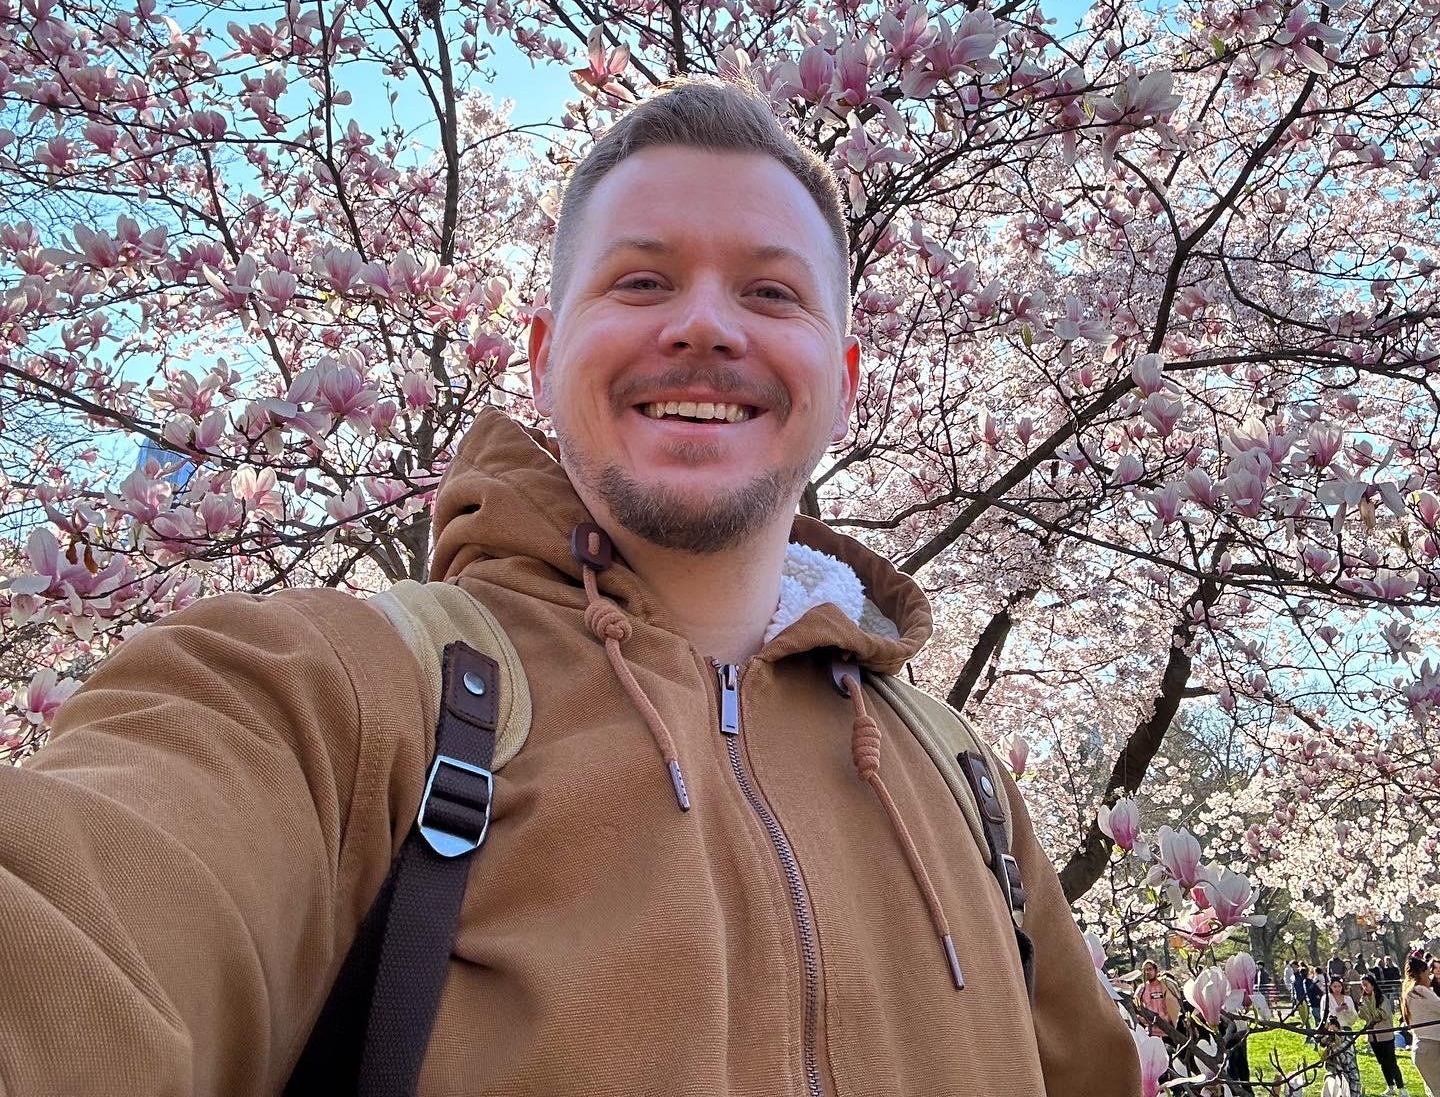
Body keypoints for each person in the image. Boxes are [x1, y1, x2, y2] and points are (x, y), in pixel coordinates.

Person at [0, 78, 1142, 1096]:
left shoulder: (964, 788)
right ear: (544, 358)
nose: (703, 324)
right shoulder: (345, 704)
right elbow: (76, 916)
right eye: (642, 280)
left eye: (773, 294)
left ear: (842, 381)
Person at [1357, 972, 1407, 1097]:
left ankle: (1401, 1088)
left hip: (1385, 1035)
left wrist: (1371, 1012)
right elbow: (1362, 1015)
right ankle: (1390, 1087)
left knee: (1391, 1062)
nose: (1365, 988)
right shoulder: (1363, 999)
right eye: (1363, 986)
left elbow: (1383, 1015)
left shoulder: (1382, 998)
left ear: (1373, 985)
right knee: (1383, 1063)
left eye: (1366, 985)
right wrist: (1363, 1011)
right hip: (1373, 1037)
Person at [1403, 952, 1440, 1095]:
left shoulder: (1410, 993)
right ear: (1421, 974)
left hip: (1424, 1047)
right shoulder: (1419, 991)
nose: (1430, 977)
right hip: (1430, 1046)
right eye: (1427, 973)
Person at [1319, 975, 1362, 1097]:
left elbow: (1353, 1019)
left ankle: (1354, 1089)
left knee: (1349, 1059)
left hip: (1346, 1031)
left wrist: (1348, 1010)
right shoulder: (1326, 998)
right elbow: (1324, 1016)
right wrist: (1337, 1010)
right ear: (1330, 987)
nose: (1337, 989)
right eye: (1334, 986)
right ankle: (1338, 1088)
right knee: (1335, 1059)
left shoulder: (1347, 999)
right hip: (1333, 1031)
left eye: (1339, 986)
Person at [1136, 959, 1180, 1042]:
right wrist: (1144, 1020)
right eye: (1145, 970)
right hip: (1151, 1033)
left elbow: (1175, 1004)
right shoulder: (1142, 989)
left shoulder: (1166, 985)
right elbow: (1135, 1007)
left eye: (1149, 969)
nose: (1147, 972)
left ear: (1155, 970)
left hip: (1168, 1031)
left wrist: (1167, 1018)